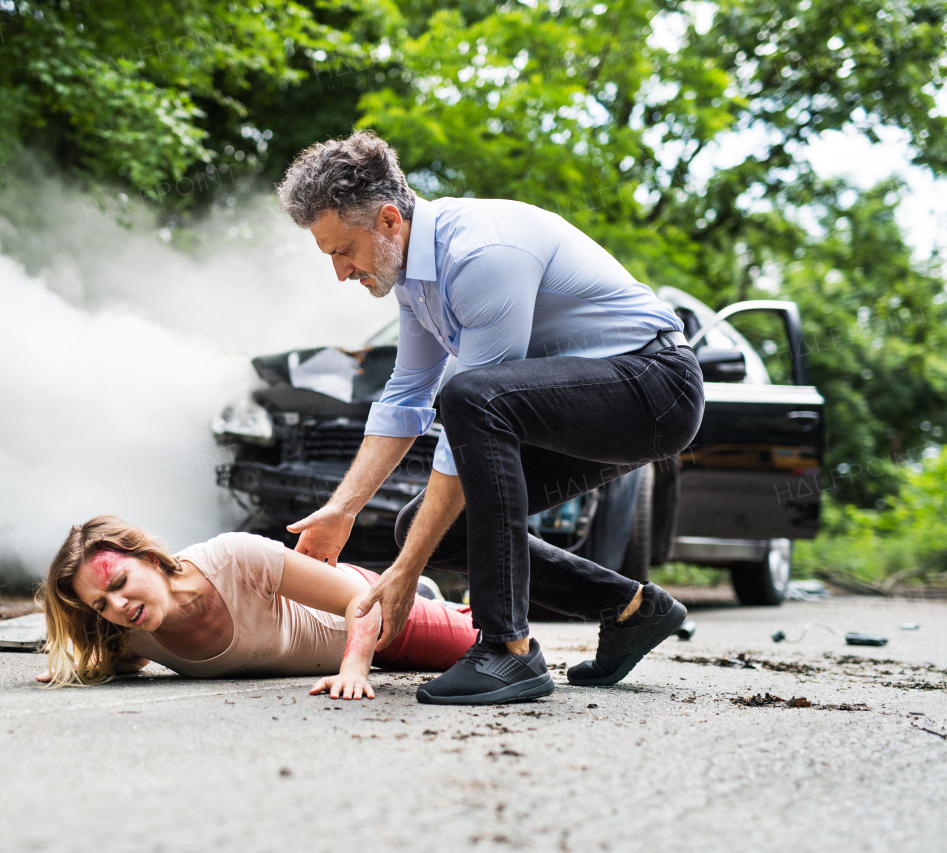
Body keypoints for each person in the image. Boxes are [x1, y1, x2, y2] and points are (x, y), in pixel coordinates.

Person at [275, 131, 704, 705]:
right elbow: (406, 394)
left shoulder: (480, 253)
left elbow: (470, 412)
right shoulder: (412, 277)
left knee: (471, 399)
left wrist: (404, 572)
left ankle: (509, 650)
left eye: (340, 251)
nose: (340, 271)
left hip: (653, 388)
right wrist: (342, 509)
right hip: (581, 408)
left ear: (386, 221)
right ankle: (630, 609)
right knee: (429, 527)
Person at [38, 515, 483, 699]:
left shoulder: (234, 556)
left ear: (150, 559)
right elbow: (119, 658)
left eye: (119, 583)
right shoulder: (128, 627)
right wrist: (80, 663)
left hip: (373, 617)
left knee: (485, 646)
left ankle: (419, 592)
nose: (117, 605)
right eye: (101, 604)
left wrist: (354, 670)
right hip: (352, 638)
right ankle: (425, 592)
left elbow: (358, 603)